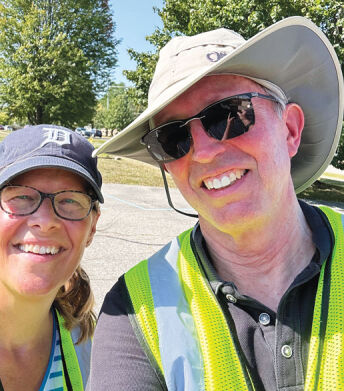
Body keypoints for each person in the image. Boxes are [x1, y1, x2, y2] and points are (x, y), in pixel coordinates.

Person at [88, 17, 344, 390]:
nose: (204, 153)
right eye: (172, 138)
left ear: (290, 130)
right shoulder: (133, 314)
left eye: (229, 115)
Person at [0, 124, 103, 390]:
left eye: (70, 201)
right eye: (22, 197)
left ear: (92, 228)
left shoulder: (88, 345)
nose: (45, 221)